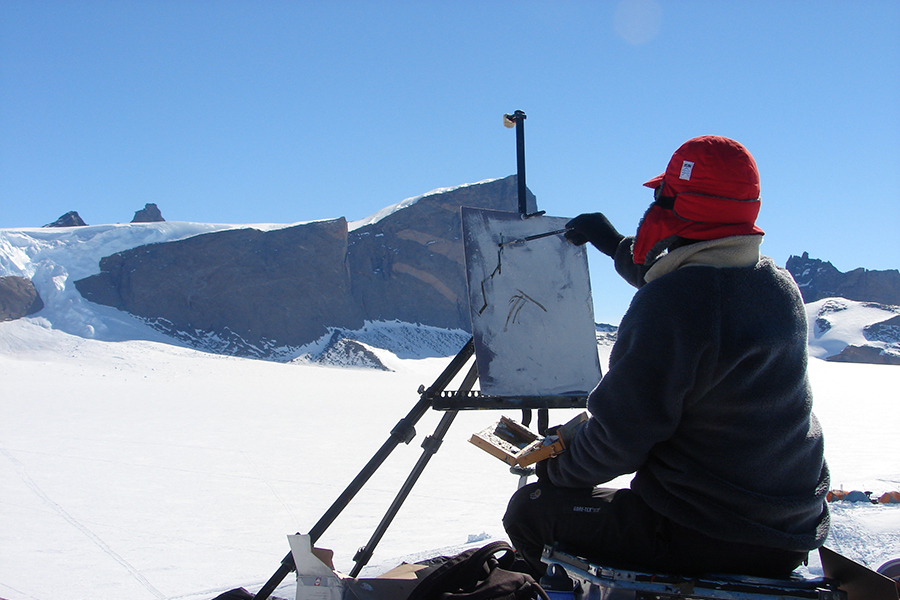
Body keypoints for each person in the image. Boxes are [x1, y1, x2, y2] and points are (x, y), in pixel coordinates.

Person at [502, 135, 830, 580]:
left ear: (680, 205)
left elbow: (619, 439)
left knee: (530, 511)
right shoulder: (773, 284)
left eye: (663, 197)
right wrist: (613, 243)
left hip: (704, 534)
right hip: (786, 533)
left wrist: (556, 468)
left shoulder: (677, 303)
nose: (654, 208)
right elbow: (693, 291)